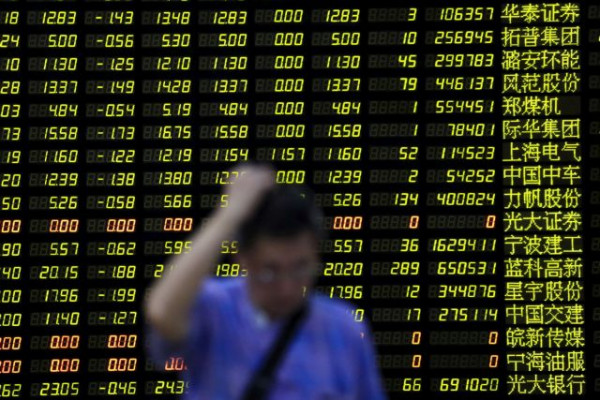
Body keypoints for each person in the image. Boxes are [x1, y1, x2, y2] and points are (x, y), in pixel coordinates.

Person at [143, 162, 387, 399]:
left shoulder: (345, 328)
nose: (286, 288)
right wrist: (230, 212)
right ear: (242, 259)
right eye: (269, 272)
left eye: (300, 268)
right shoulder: (214, 308)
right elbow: (161, 311)